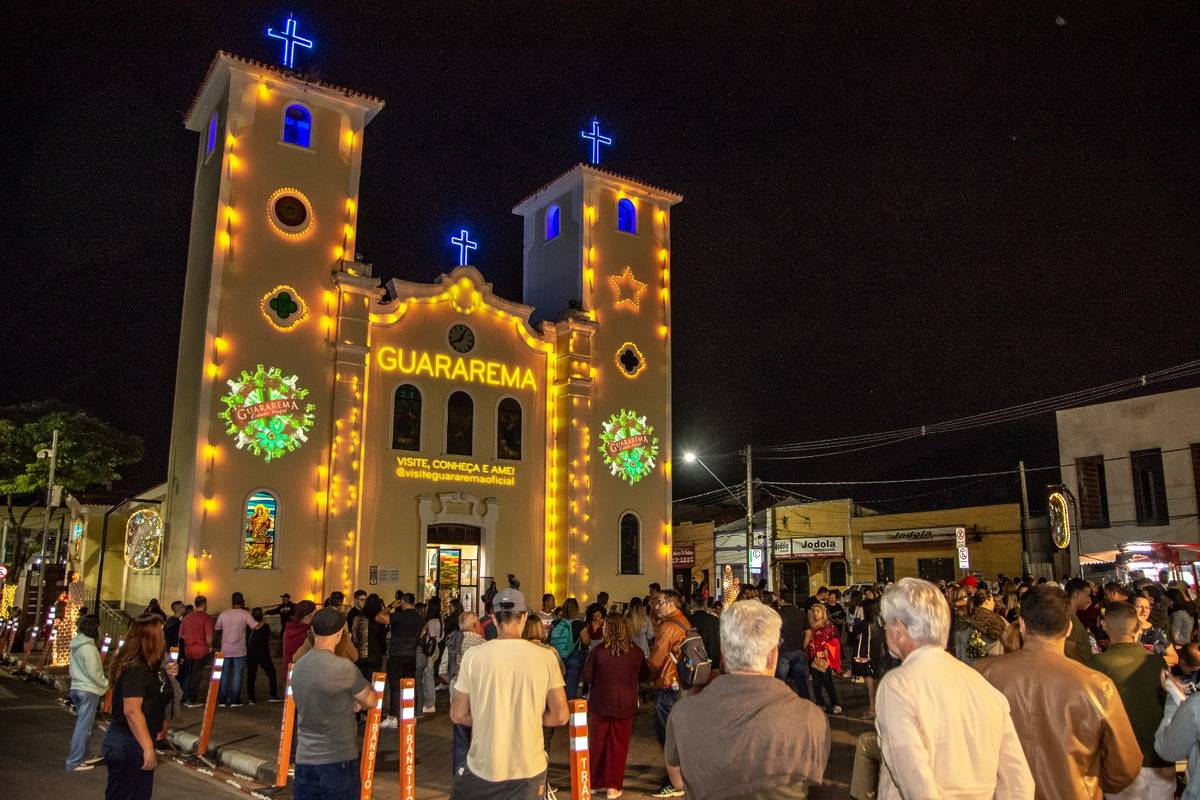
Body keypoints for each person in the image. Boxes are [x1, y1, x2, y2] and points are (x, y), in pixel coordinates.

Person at [872, 578, 1033, 799]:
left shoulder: (898, 686)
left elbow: (915, 782)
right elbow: (1018, 783)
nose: (885, 629)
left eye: (885, 622)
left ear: (899, 628)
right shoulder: (982, 686)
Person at [976, 584, 1141, 799]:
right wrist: (1087, 780)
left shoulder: (982, 675)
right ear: (1069, 628)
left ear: (1023, 625)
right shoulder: (1096, 685)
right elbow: (1124, 767)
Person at [665, 600, 830, 800]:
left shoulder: (683, 714)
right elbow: (811, 780)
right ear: (772, 657)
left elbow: (678, 780)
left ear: (724, 656)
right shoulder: (811, 718)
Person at [449, 586, 568, 797]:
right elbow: (560, 715)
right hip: (529, 767)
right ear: (523, 618)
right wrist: (530, 719)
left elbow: (458, 713)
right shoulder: (546, 657)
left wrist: (487, 719)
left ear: (494, 618)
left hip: (484, 766)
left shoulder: (474, 656)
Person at [290, 607, 378, 800]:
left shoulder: (298, 667)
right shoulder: (343, 668)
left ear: (313, 631)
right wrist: (358, 703)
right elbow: (371, 699)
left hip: (305, 759)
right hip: (338, 759)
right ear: (340, 634)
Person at [1089, 602, 1173, 800]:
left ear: (1103, 625)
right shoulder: (1157, 662)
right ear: (1137, 628)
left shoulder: (1097, 665)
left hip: (1119, 762)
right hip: (1158, 759)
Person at [102, 614, 179, 800]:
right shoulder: (137, 668)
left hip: (139, 740)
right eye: (160, 633)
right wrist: (147, 747)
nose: (164, 637)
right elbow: (132, 710)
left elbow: (158, 698)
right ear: (149, 638)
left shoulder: (152, 666)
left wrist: (168, 675)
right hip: (130, 742)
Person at [583, 613, 647, 799]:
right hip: (625, 704)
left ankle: (594, 782)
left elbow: (587, 677)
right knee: (619, 746)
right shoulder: (636, 652)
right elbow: (643, 675)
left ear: (607, 630)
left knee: (596, 744)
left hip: (600, 703)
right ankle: (613, 786)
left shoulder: (598, 652)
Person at [648, 589, 690, 798]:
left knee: (666, 734)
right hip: (680, 683)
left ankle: (674, 781)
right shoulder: (683, 621)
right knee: (676, 732)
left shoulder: (668, 627)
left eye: (659, 602)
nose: (656, 607)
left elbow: (656, 660)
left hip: (667, 683)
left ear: (671, 603)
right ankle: (681, 776)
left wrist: (647, 675)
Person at [443, 611, 485, 777]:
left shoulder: (453, 643)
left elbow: (442, 670)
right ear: (475, 625)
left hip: (456, 697)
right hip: (479, 698)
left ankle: (459, 776)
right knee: (478, 738)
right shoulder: (483, 644)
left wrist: (455, 682)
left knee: (460, 738)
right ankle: (477, 776)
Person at [66, 613, 108, 772]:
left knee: (84, 726)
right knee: (83, 727)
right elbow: (94, 672)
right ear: (94, 628)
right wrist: (105, 685)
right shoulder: (89, 648)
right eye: (99, 626)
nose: (101, 630)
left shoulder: (76, 644)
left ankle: (83, 755)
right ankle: (75, 761)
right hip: (88, 690)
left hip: (76, 687)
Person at [381, 593, 423, 729]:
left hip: (397, 654)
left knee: (395, 687)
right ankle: (411, 715)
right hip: (411, 655)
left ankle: (393, 717)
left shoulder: (401, 616)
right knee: (410, 685)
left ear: (403, 602)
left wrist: (390, 606)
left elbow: (380, 617)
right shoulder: (419, 617)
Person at [214, 592, 256, 707]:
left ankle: (222, 699)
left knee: (224, 674)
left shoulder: (224, 614)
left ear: (232, 601)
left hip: (225, 649)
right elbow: (255, 626)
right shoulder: (245, 614)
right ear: (242, 601)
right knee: (237, 674)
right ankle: (234, 699)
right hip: (239, 649)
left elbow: (217, 627)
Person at [849, 598, 885, 719]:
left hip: (866, 656)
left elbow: (852, 637)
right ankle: (876, 707)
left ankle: (872, 709)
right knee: (876, 681)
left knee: (870, 683)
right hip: (878, 655)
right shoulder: (879, 622)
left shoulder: (863, 625)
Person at [804, 602, 841, 714]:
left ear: (823, 612)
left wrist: (826, 650)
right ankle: (820, 703)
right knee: (816, 683)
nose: (815, 614)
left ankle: (836, 703)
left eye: (818, 611)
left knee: (827, 681)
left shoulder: (830, 627)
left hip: (826, 658)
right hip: (814, 658)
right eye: (814, 611)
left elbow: (836, 641)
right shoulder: (811, 627)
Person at [178, 595, 213, 707]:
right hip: (201, 650)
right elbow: (209, 637)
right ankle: (193, 699)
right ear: (205, 604)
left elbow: (182, 636)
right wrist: (210, 646)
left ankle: (186, 697)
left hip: (188, 650)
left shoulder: (187, 618)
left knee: (189, 674)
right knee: (197, 675)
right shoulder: (206, 618)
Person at [776, 592, 810, 701]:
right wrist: (803, 645)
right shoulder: (800, 613)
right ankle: (806, 701)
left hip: (783, 650)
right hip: (798, 649)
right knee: (800, 679)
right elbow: (808, 632)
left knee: (781, 680)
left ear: (782, 600)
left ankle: (781, 701)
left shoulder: (778, 614)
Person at [962, 587, 1007, 661]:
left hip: (971, 664)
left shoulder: (967, 619)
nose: (993, 603)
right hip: (994, 661)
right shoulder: (999, 620)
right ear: (987, 601)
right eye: (992, 600)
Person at [351, 593, 388, 682]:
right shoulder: (379, 620)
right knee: (376, 684)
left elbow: (354, 638)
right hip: (375, 656)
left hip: (360, 656)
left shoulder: (358, 618)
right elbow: (382, 640)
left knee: (361, 683)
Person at [246, 607, 280, 703]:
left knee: (251, 675)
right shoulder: (265, 627)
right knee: (271, 673)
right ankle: (273, 695)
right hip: (263, 653)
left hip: (251, 653)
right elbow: (268, 637)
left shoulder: (249, 627)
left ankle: (251, 698)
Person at [1135, 593, 1179, 666]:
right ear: (1131, 608)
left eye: (1147, 607)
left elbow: (1174, 658)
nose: (1143, 611)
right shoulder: (1124, 630)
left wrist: (1148, 660)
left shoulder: (1156, 631)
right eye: (1140, 607)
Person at [417, 596, 443, 716]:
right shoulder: (441, 620)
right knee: (429, 675)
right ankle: (429, 702)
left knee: (428, 677)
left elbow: (428, 637)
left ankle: (430, 703)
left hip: (429, 650)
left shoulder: (431, 621)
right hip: (436, 648)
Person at [1065, 578, 1099, 662]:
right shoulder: (1070, 618)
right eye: (1087, 595)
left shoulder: (1072, 616)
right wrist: (1087, 669)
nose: (1089, 600)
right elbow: (1069, 651)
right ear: (1076, 594)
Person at [283, 600, 317, 668]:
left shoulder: (290, 628)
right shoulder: (306, 633)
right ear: (308, 617)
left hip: (289, 669)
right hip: (298, 672)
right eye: (315, 614)